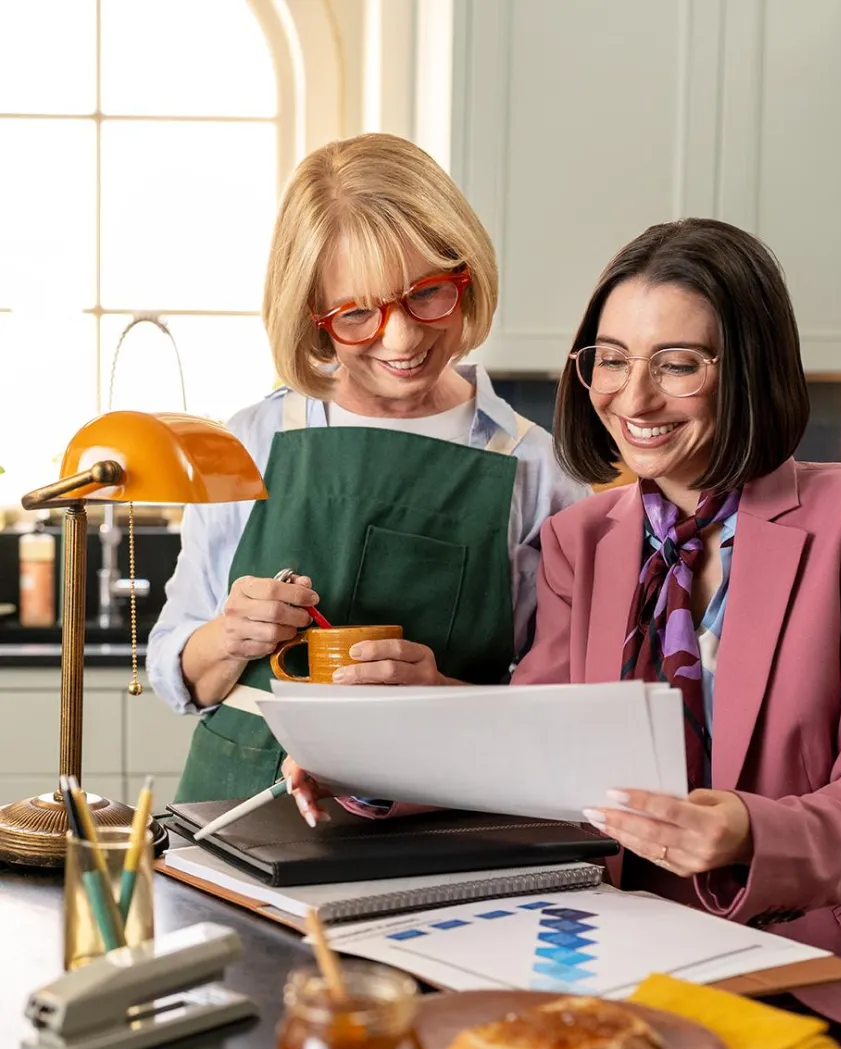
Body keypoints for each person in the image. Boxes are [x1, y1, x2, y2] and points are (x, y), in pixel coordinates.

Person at [511, 218, 841, 1049]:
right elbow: (533, 763)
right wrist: (368, 774)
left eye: (678, 363)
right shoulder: (583, 541)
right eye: (609, 359)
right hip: (635, 961)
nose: (633, 396)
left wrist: (749, 829)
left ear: (750, 369)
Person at [147, 133, 588, 805]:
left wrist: (442, 697)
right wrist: (228, 637)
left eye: (429, 294)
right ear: (314, 318)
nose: (403, 338)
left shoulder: (536, 471)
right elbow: (180, 676)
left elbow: (562, 717)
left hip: (436, 822)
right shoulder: (251, 443)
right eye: (357, 313)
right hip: (231, 813)